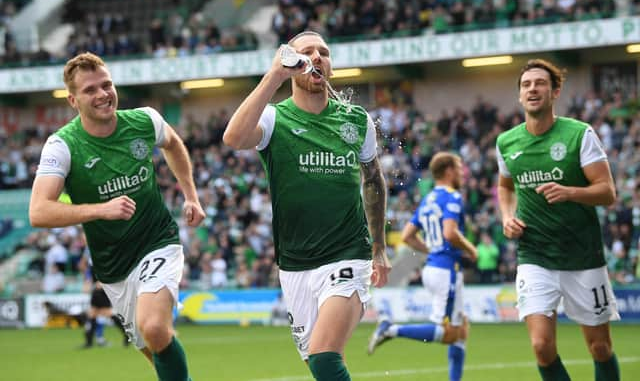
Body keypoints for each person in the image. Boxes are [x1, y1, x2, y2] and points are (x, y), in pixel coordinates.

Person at [223, 31, 391, 381]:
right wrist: (275, 75)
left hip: (348, 253)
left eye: (324, 52)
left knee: (324, 358)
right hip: (295, 263)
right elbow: (234, 138)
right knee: (320, 365)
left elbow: (373, 180)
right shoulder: (273, 119)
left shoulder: (356, 120)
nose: (317, 57)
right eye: (307, 52)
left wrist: (379, 247)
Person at [29, 52, 205, 381]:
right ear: (72, 100)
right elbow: (38, 211)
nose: (103, 94)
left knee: (154, 327)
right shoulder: (62, 146)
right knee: (156, 349)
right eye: (90, 90)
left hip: (158, 241)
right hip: (112, 266)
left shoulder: (144, 120)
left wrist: (190, 195)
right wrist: (101, 209)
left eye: (107, 85)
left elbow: (173, 143)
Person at [496, 59, 620, 381]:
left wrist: (569, 192)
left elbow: (607, 192)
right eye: (526, 85)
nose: (532, 89)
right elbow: (505, 186)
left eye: (539, 83)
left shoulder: (580, 134)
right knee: (541, 346)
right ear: (520, 95)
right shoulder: (506, 142)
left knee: (600, 348)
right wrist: (507, 216)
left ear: (555, 92)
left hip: (582, 255)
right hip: (535, 255)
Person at [367, 152, 478, 381]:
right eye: (458, 169)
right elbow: (449, 232)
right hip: (446, 271)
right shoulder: (452, 197)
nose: (462, 173)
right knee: (445, 332)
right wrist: (470, 249)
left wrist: (432, 249)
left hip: (435, 267)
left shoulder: (428, 200)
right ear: (448, 171)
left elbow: (407, 235)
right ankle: (391, 328)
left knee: (459, 333)